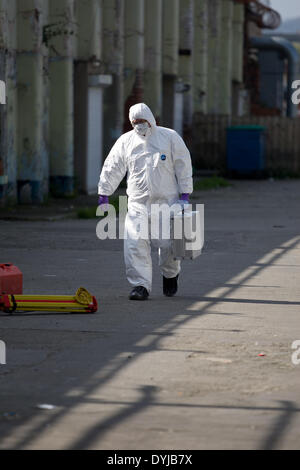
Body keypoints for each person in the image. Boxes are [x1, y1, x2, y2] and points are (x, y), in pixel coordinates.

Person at [98, 103, 193, 300]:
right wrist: (104, 192)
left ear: (150, 119)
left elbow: (183, 164)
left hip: (167, 202)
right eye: (135, 122)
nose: (139, 125)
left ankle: (170, 274)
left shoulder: (169, 137)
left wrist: (185, 193)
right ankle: (140, 285)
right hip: (137, 203)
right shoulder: (126, 141)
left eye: (142, 121)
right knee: (135, 244)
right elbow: (113, 166)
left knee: (168, 245)